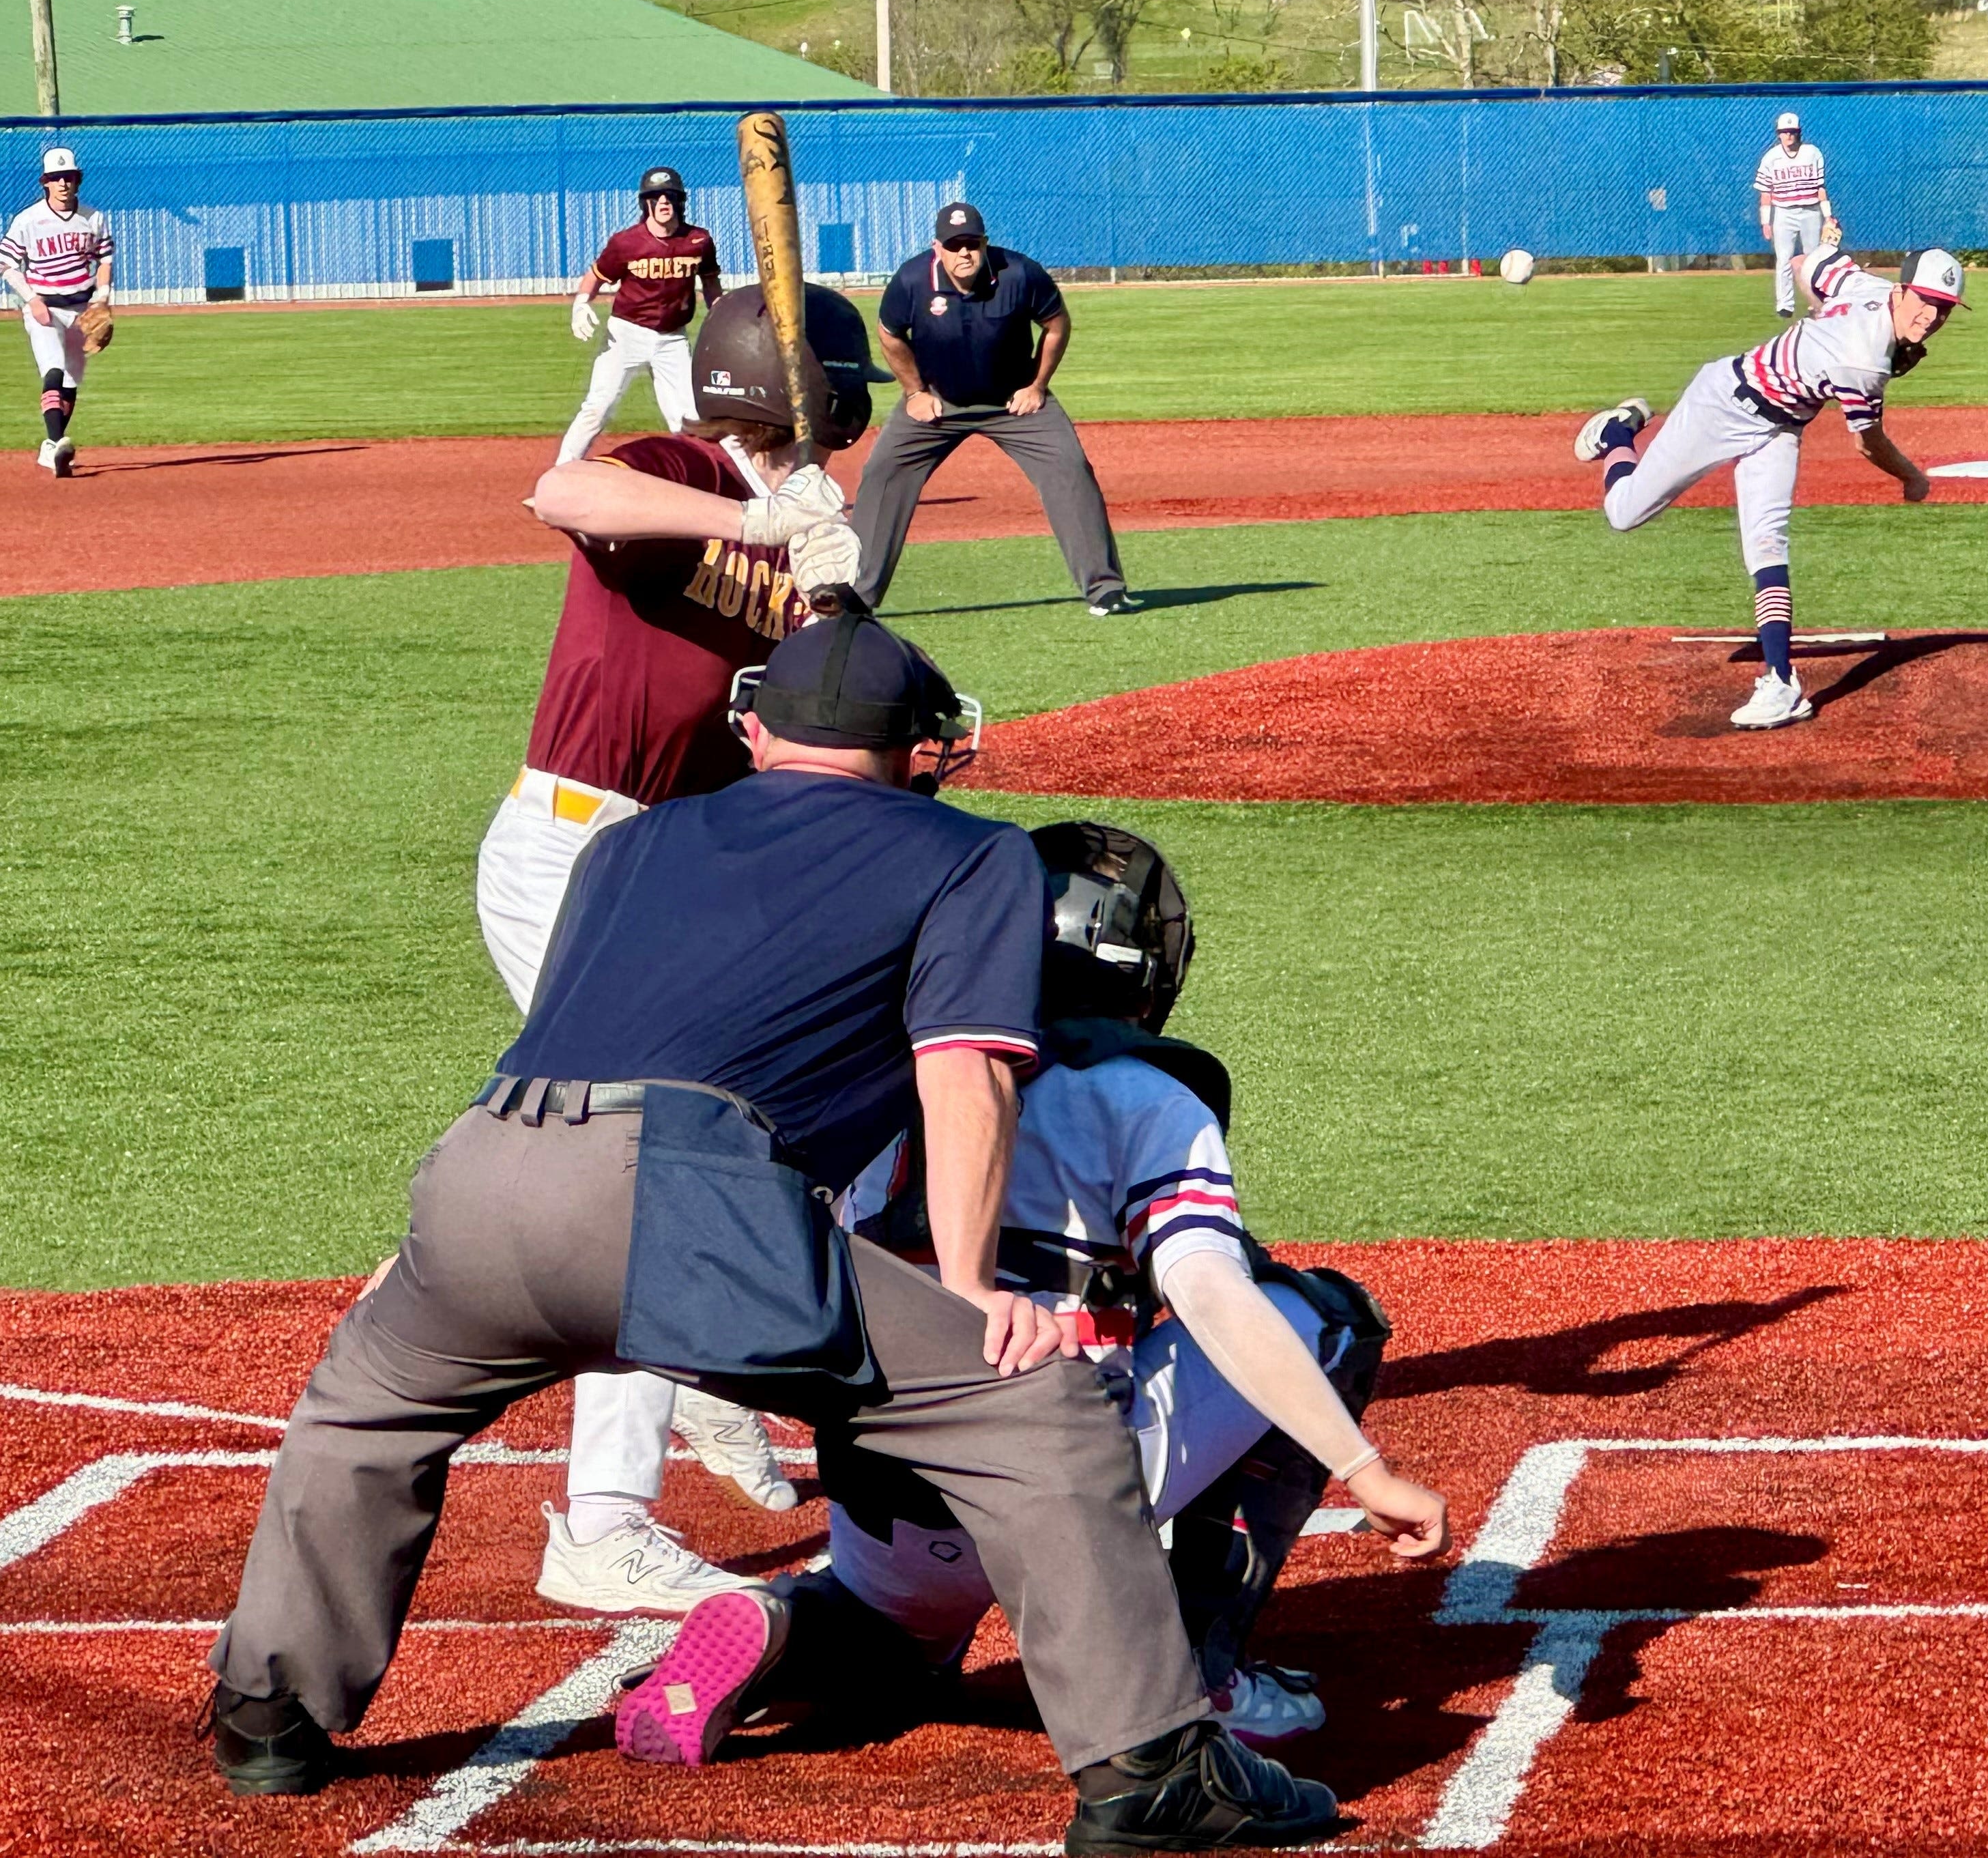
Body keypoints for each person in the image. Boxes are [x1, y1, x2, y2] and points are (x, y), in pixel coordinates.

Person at [203, 610, 1338, 1853]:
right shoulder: (971, 854)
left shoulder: (631, 841)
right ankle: (1153, 1770)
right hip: (687, 1196)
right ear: (919, 745)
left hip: (479, 1165)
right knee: (1035, 1409)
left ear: (754, 725)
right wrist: (967, 1286)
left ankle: (270, 1712)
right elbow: (966, 1076)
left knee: (367, 1409)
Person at [611, 821, 1450, 1770]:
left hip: (884, 1484)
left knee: (905, 1651)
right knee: (1325, 1315)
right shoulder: (1139, 1096)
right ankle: (1195, 1669)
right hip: (1058, 1480)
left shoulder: (883, 1073)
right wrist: (1362, 1467)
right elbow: (1211, 1294)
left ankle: (789, 1618)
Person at [482, 281, 874, 1616]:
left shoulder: (812, 525)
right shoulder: (681, 470)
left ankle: (705, 1370)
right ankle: (602, 1519)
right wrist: (751, 517)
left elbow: (816, 734)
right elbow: (563, 494)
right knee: (645, 1166)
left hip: (683, 882)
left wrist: (836, 607)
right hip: (574, 854)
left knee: (763, 1124)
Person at [1572, 246, 1965, 731]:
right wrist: (1912, 477)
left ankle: (1780, 682)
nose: (1931, 316)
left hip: (1782, 427)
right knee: (1623, 513)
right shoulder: (1864, 360)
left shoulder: (1866, 286)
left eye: (1944, 308)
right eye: (1925, 300)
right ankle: (1618, 432)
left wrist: (1818, 305)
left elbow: (1805, 265)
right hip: (1721, 404)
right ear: (1903, 290)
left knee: (1767, 543)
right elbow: (1868, 444)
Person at [846, 199, 1135, 616]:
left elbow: (1056, 324)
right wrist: (914, 393)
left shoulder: (1019, 274)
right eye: (954, 244)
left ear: (985, 244)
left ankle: (1105, 588)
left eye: (972, 244)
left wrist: (1037, 385)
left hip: (1012, 402)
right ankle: (857, 596)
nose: (964, 253)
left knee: (1070, 467)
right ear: (937, 248)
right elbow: (890, 333)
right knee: (883, 473)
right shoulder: (912, 281)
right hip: (939, 404)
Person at [558, 166, 722, 466]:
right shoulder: (626, 243)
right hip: (626, 335)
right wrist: (581, 304)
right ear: (645, 203)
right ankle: (562, 472)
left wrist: (720, 313)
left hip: (672, 339)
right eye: (656, 197)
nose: (663, 202)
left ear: (680, 202)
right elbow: (596, 276)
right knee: (598, 408)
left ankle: (700, 478)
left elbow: (710, 280)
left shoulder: (698, 240)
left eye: (670, 196)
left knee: (688, 417)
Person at [0, 146, 113, 478]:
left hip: (81, 310)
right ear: (45, 183)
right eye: (55, 178)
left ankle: (51, 450)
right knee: (53, 369)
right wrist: (31, 299)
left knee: (72, 381)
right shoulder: (28, 220)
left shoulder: (93, 218)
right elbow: (5, 262)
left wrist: (102, 300)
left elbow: (104, 260)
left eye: (69, 177)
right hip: (44, 308)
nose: (63, 183)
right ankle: (57, 439)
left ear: (77, 180)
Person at [1755, 112, 1836, 319]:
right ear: (1778, 135)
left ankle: (1816, 302)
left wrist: (1828, 216)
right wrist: (1766, 222)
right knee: (1784, 259)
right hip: (1783, 213)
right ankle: (1785, 305)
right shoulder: (1771, 158)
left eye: (1792, 132)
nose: (1789, 136)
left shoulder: (1812, 153)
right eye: (1784, 132)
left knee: (1813, 260)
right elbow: (1766, 192)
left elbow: (1820, 187)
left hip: (1810, 211)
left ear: (1799, 133)